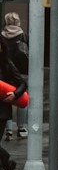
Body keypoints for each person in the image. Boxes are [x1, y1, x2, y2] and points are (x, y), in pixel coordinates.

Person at [0, 12, 26, 140]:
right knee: (21, 97)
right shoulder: (22, 35)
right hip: (18, 71)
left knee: (5, 98)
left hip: (4, 72)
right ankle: (21, 127)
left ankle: (8, 130)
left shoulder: (2, 35)